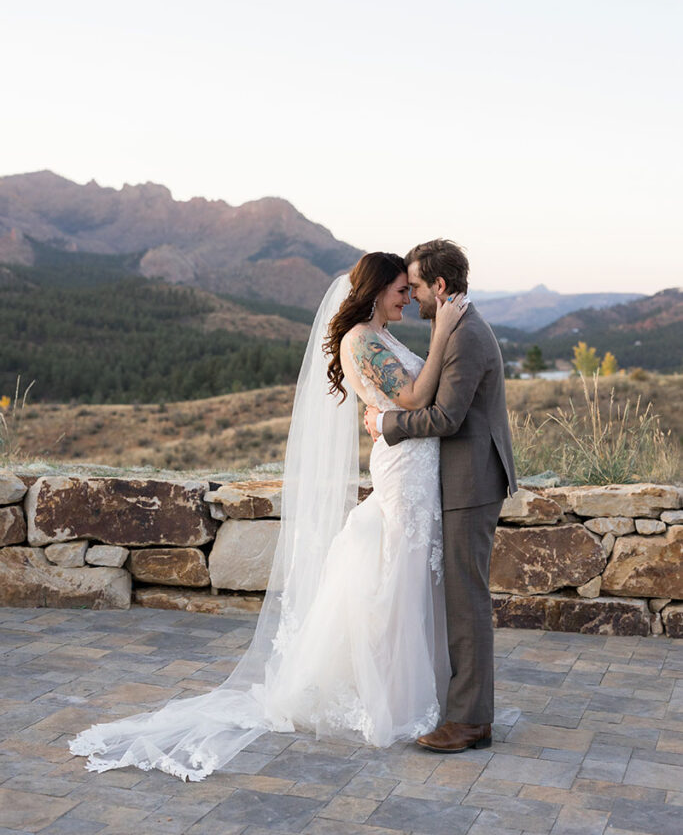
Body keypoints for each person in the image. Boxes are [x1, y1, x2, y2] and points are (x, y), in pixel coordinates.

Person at [69, 251, 468, 781]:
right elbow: (414, 395)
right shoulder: (359, 340)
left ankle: (410, 689)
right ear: (376, 292)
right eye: (399, 290)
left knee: (405, 574)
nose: (405, 298)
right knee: (394, 572)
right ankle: (384, 695)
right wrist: (445, 330)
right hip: (402, 468)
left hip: (413, 465)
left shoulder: (382, 335)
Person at [365, 239, 517, 754]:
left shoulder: (465, 334)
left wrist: (388, 422)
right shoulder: (451, 326)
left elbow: (447, 418)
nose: (413, 295)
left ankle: (471, 721)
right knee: (457, 597)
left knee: (466, 600)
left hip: (472, 481)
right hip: (457, 479)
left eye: (418, 286)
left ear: (441, 286)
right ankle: (464, 711)